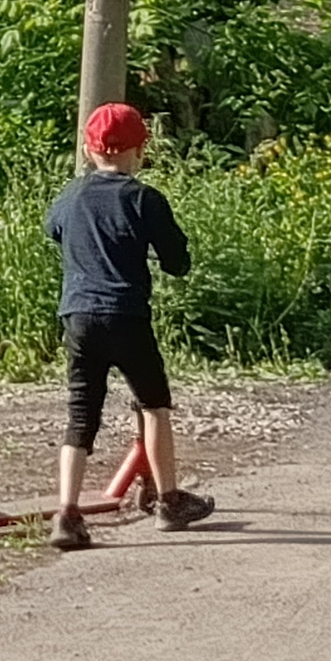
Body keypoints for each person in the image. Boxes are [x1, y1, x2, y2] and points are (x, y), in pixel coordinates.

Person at [45, 102, 213, 549]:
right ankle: (169, 501)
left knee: (81, 414)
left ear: (89, 149)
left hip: (79, 317)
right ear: (141, 150)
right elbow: (177, 260)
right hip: (127, 315)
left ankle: (67, 514)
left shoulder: (70, 196)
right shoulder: (143, 199)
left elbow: (54, 230)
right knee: (154, 404)